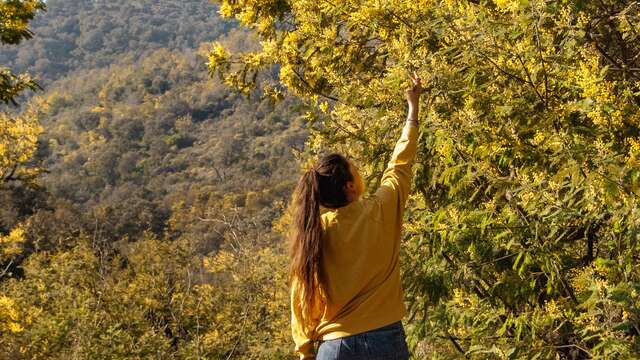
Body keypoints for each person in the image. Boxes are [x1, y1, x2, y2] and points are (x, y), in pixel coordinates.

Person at [288, 72, 423, 360]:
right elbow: (400, 165)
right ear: (350, 186)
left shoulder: (314, 233)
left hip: (334, 348)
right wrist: (413, 110)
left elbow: (300, 298)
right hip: (385, 340)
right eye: (354, 168)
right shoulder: (380, 209)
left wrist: (305, 352)